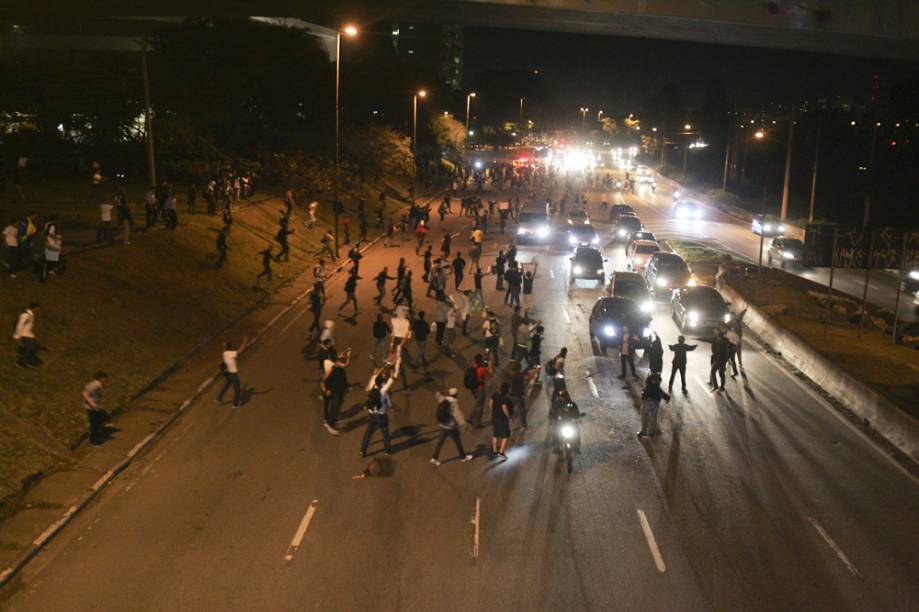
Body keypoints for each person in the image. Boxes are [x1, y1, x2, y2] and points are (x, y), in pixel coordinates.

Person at [431, 388, 474, 465]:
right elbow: (458, 415)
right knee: (458, 442)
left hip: (443, 425)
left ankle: (434, 457)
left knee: (440, 442)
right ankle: (463, 457)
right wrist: (464, 425)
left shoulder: (443, 399)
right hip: (451, 427)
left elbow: (437, 394)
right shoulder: (454, 403)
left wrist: (444, 392)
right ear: (456, 395)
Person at [361, 374, 394, 457]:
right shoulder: (383, 391)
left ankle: (363, 450)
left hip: (372, 415)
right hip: (381, 416)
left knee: (368, 433)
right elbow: (389, 403)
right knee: (385, 433)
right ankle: (387, 450)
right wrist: (390, 406)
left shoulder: (371, 389)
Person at [320, 349, 351, 435]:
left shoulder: (339, 367)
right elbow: (324, 380)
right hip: (335, 391)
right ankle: (330, 424)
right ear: (335, 361)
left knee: (338, 405)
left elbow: (343, 376)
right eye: (338, 360)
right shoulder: (332, 368)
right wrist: (326, 389)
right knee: (335, 406)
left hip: (340, 390)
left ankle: (333, 420)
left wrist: (347, 387)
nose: (339, 362)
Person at [217, 337, 250, 409]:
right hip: (233, 374)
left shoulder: (224, 353)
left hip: (228, 373)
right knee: (237, 389)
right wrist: (244, 342)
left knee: (227, 385)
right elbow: (240, 352)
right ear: (230, 347)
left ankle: (219, 398)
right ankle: (235, 404)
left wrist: (244, 388)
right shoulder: (229, 353)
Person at [638, 373, 670, 437]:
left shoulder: (648, 386)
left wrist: (643, 395)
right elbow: (663, 395)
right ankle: (652, 432)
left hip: (647, 403)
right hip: (655, 404)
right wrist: (667, 398)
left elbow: (643, 395)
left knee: (644, 417)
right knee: (654, 418)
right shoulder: (658, 388)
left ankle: (643, 431)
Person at [82, 371, 108, 447]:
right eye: (105, 378)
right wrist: (92, 403)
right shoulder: (94, 385)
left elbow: (95, 395)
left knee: (102, 418)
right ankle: (94, 441)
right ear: (101, 378)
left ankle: (97, 436)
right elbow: (84, 393)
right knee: (94, 424)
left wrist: (98, 404)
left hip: (95, 407)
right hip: (91, 408)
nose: (106, 380)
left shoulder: (98, 385)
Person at [469, 352, 493, 427]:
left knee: (477, 403)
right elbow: (491, 375)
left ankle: (471, 417)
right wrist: (490, 365)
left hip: (472, 388)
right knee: (480, 406)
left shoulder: (472, 366)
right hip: (480, 389)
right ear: (480, 361)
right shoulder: (482, 369)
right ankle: (477, 423)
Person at [490, 383, 513, 459]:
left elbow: (490, 403)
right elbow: (504, 407)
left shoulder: (495, 394)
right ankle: (501, 452)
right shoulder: (505, 398)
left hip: (494, 417)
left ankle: (494, 451)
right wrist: (508, 416)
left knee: (495, 435)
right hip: (502, 419)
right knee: (505, 435)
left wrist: (493, 411)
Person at [13, 303, 40, 368]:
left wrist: (32, 335)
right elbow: (20, 325)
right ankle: (21, 362)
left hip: (29, 335)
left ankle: (29, 361)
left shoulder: (31, 315)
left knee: (35, 346)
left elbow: (28, 326)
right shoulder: (25, 315)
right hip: (24, 335)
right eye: (38, 309)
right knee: (31, 347)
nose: (38, 310)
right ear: (34, 308)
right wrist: (17, 336)